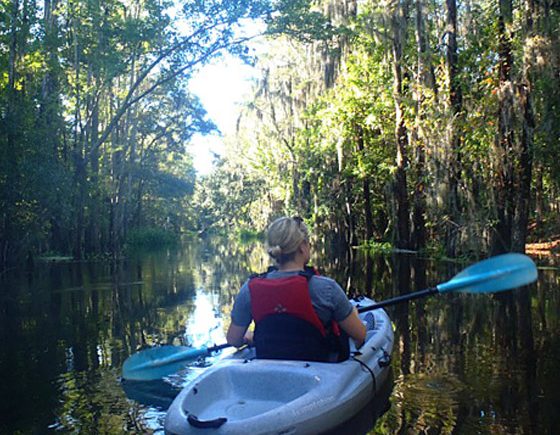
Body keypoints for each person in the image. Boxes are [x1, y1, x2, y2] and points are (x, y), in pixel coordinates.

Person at [226, 216, 366, 362]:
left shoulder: (249, 289)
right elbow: (360, 336)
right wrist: (353, 315)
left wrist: (249, 337)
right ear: (302, 246)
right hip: (318, 373)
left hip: (267, 371)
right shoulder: (327, 289)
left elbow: (233, 340)